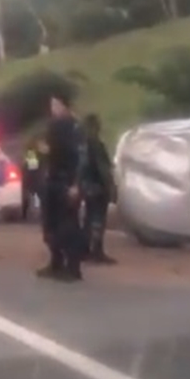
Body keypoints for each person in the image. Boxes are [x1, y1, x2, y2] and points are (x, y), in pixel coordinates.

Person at [37, 94, 87, 282]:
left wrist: (76, 183)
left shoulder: (74, 127)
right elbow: (47, 153)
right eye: (52, 104)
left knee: (69, 225)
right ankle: (55, 262)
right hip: (52, 180)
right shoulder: (53, 126)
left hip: (66, 181)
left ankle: (73, 267)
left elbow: (81, 158)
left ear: (65, 105)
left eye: (56, 104)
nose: (53, 108)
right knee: (51, 224)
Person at [80, 113, 117, 265]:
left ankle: (85, 250)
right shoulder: (96, 145)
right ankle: (97, 251)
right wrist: (111, 187)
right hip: (98, 187)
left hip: (87, 187)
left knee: (88, 219)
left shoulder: (82, 144)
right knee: (98, 220)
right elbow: (103, 169)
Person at [21, 140, 41, 221]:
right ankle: (30, 215)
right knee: (33, 198)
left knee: (30, 198)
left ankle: (26, 215)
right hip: (32, 179)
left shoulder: (31, 154)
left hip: (30, 179)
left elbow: (31, 168)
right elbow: (33, 168)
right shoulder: (32, 154)